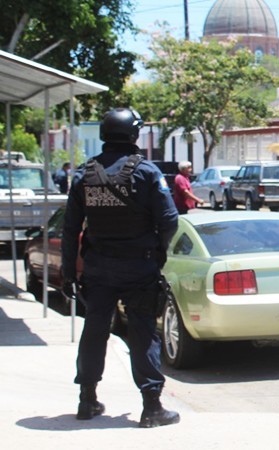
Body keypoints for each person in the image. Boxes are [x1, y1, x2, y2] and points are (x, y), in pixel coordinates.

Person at [61, 107, 180, 428]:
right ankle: (152, 407)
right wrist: (158, 253)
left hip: (98, 269)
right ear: (133, 134)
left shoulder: (84, 174)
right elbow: (169, 220)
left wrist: (69, 272)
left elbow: (70, 228)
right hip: (139, 268)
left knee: (94, 330)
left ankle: (87, 399)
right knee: (143, 333)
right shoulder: (147, 172)